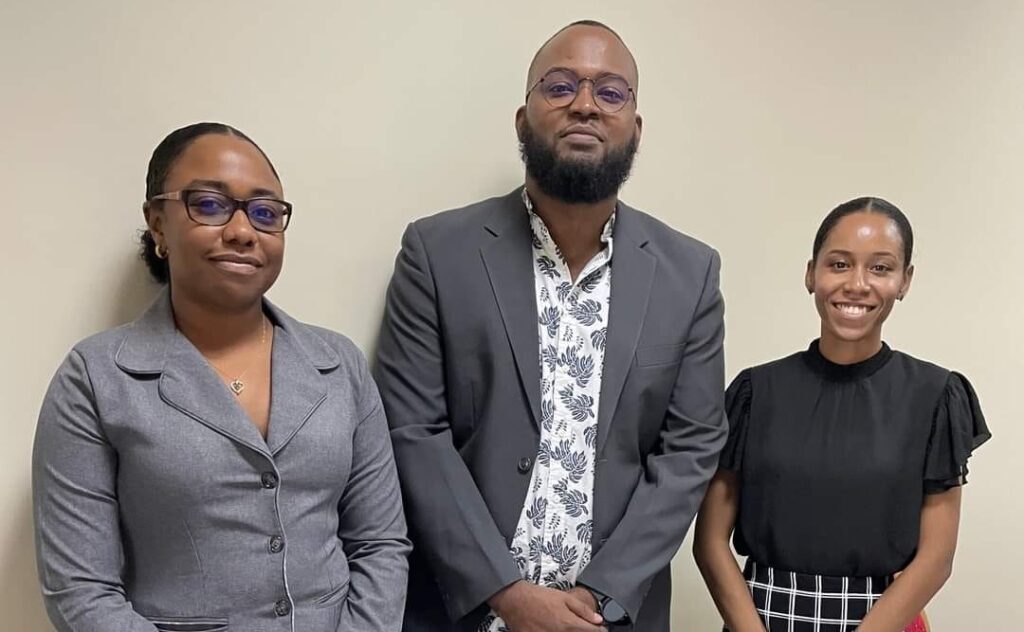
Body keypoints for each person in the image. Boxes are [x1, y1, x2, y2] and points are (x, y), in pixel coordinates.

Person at [375, 20, 727, 632]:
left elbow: (692, 447)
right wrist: (506, 593)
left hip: (613, 617)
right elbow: (413, 431)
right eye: (559, 86)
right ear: (522, 119)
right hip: (462, 611)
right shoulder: (436, 252)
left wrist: (600, 598)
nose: (584, 104)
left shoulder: (689, 272)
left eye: (610, 92)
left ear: (635, 129)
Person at [32, 122, 410, 632]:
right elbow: (79, 591)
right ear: (159, 225)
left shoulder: (338, 365)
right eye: (209, 205)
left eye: (264, 212)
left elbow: (380, 544)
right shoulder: (96, 378)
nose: (241, 230)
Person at [694, 197, 991, 631]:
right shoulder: (755, 392)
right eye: (839, 264)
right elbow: (710, 540)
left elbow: (936, 558)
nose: (857, 284)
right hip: (759, 619)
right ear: (811, 273)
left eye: (881, 268)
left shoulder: (936, 395)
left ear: (905, 281)